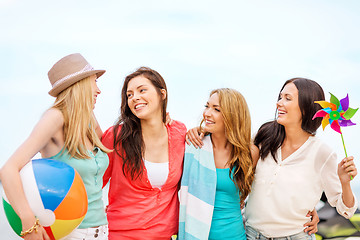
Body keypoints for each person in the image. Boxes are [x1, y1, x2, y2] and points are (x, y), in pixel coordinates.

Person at [0, 53, 110, 240]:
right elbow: (8, 170)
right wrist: (28, 223)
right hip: (71, 234)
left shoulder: (89, 119)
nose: (98, 90)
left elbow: (112, 143)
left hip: (102, 231)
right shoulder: (55, 118)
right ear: (80, 85)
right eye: (94, 82)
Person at [245, 78, 358, 239]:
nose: (279, 103)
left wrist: (345, 182)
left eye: (288, 98)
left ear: (306, 108)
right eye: (280, 97)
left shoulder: (322, 152)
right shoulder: (264, 136)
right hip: (251, 234)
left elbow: (345, 210)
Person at [101, 67, 186, 240]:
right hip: (119, 234)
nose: (135, 98)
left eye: (142, 90)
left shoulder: (180, 133)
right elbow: (94, 182)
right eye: (129, 94)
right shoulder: (116, 136)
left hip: (167, 235)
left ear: (162, 94)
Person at [178, 88, 256, 240]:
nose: (207, 113)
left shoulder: (250, 153)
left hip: (235, 235)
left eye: (216, 109)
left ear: (233, 116)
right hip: (195, 235)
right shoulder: (193, 146)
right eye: (207, 106)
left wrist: (310, 208)